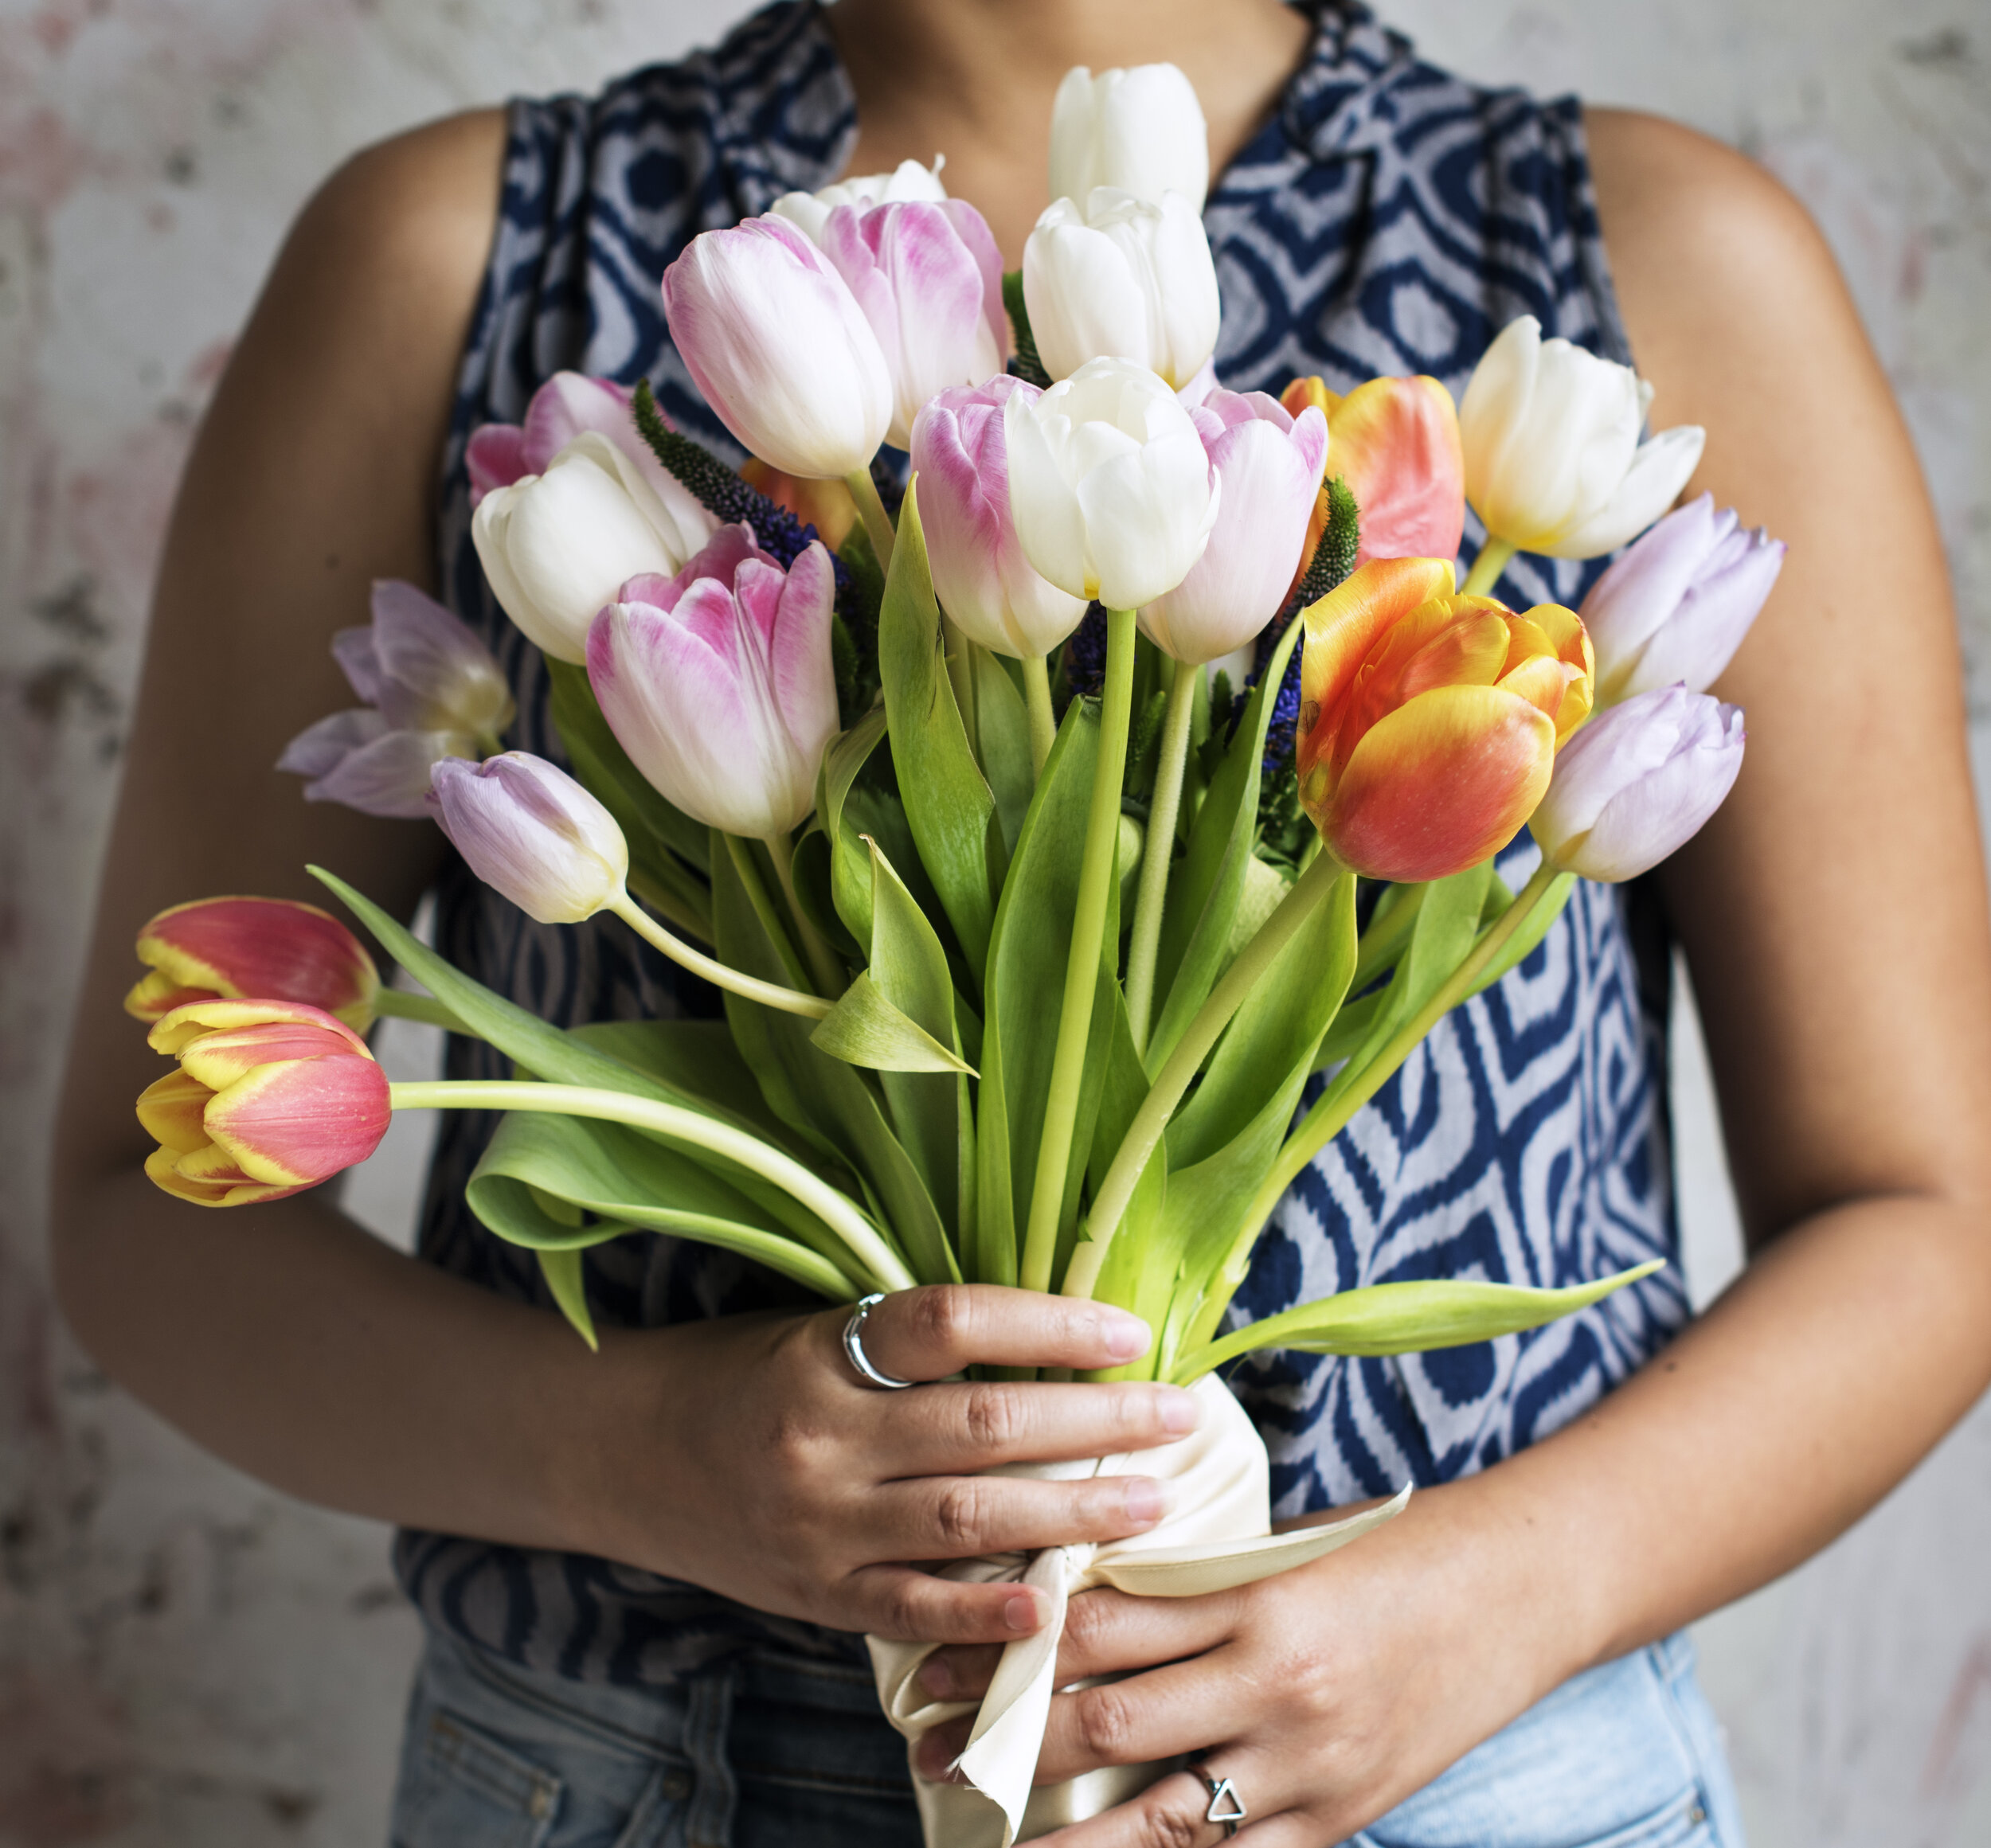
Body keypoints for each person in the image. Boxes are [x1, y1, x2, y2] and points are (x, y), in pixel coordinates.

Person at [50, 0, 1991, 1842]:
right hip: (657, 1769)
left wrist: (1473, 1610)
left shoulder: (1643, 258)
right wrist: (661, 1456)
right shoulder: (459, 252)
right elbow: (147, 1224)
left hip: (1475, 1764)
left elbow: (1927, 1219)